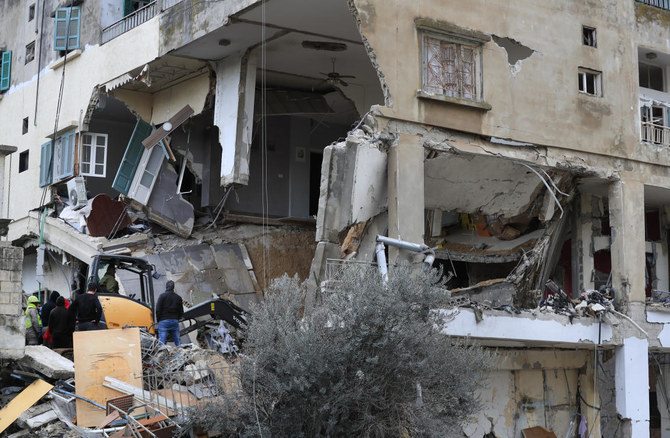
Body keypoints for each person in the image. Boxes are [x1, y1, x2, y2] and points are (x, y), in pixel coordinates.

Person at [155, 280, 183, 346]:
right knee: (178, 341)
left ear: (166, 287)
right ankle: (182, 354)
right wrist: (177, 319)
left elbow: (158, 309)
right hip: (174, 321)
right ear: (173, 287)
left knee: (162, 342)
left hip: (163, 321)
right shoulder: (178, 298)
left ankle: (162, 355)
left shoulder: (162, 296)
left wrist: (159, 320)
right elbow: (181, 311)